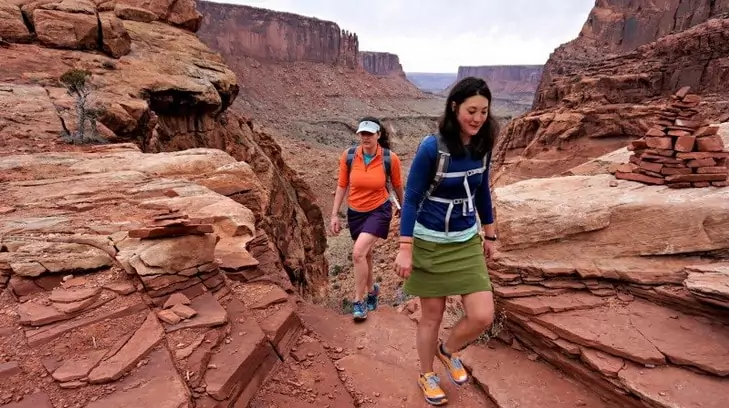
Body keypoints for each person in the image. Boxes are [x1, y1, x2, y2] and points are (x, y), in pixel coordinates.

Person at [394, 77, 498, 406]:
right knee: (432, 316)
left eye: (483, 111)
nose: (478, 118)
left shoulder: (483, 145)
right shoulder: (432, 147)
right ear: (455, 107)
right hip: (429, 241)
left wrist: (490, 233)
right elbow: (410, 199)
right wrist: (405, 248)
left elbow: (481, 190)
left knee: (482, 315)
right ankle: (427, 373)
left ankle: (448, 350)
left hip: (466, 239)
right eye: (471, 110)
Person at [330, 116, 404, 321]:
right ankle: (372, 291)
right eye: (363, 133)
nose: (366, 137)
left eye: (370, 133)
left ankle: (358, 301)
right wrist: (335, 214)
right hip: (355, 212)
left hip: (378, 210)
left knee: (358, 253)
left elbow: (398, 185)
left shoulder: (390, 159)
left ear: (378, 135)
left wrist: (403, 206)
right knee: (366, 254)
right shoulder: (349, 156)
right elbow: (342, 185)